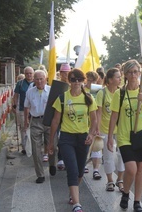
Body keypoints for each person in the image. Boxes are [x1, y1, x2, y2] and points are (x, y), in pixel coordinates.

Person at [107, 59, 142, 212]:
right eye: (130, 72)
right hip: (125, 136)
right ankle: (126, 192)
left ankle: (137, 202)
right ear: (125, 74)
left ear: (140, 73)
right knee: (131, 169)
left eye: (136, 72)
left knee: (141, 169)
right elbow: (114, 117)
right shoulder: (119, 94)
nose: (133, 75)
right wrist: (109, 137)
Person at [48, 68, 97, 212]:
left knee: (80, 171)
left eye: (79, 80)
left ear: (83, 81)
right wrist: (51, 142)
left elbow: (94, 119)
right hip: (66, 138)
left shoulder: (88, 98)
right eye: (73, 80)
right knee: (72, 169)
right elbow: (55, 122)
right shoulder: (62, 98)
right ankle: (77, 204)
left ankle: (73, 194)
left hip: (83, 138)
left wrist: (91, 134)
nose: (76, 82)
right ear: (69, 81)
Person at [24, 70, 57, 183]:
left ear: (46, 79)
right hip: (36, 121)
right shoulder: (30, 92)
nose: (39, 81)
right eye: (37, 79)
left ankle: (52, 163)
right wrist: (25, 121)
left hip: (49, 121)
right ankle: (40, 174)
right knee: (36, 149)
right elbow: (26, 107)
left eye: (41, 79)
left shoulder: (51, 90)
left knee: (53, 145)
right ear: (33, 79)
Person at [96, 68, 125, 192]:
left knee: (122, 155)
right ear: (110, 79)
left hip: (121, 129)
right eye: (118, 77)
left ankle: (120, 179)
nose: (120, 79)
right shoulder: (102, 93)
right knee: (108, 156)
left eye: (120, 77)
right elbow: (98, 112)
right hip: (105, 129)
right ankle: (110, 181)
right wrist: (96, 128)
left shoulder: (122, 93)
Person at [84, 71, 102, 178]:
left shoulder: (98, 90)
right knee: (86, 144)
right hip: (84, 122)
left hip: (95, 120)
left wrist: (98, 125)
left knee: (97, 146)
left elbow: (100, 108)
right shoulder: (82, 89)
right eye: (89, 80)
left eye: (93, 80)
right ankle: (84, 164)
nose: (91, 82)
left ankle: (96, 169)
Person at [12, 66, 34, 154]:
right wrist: (14, 105)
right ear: (24, 74)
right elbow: (16, 95)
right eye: (27, 73)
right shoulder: (20, 83)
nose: (29, 75)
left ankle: (32, 145)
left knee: (33, 128)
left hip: (34, 110)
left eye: (30, 73)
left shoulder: (37, 82)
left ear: (33, 73)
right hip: (22, 109)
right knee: (24, 128)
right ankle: (25, 147)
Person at [57, 63, 71, 170]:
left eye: (67, 73)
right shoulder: (56, 85)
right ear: (60, 73)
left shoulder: (72, 84)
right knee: (60, 137)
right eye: (64, 73)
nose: (65, 75)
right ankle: (60, 158)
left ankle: (68, 159)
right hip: (59, 113)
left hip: (70, 114)